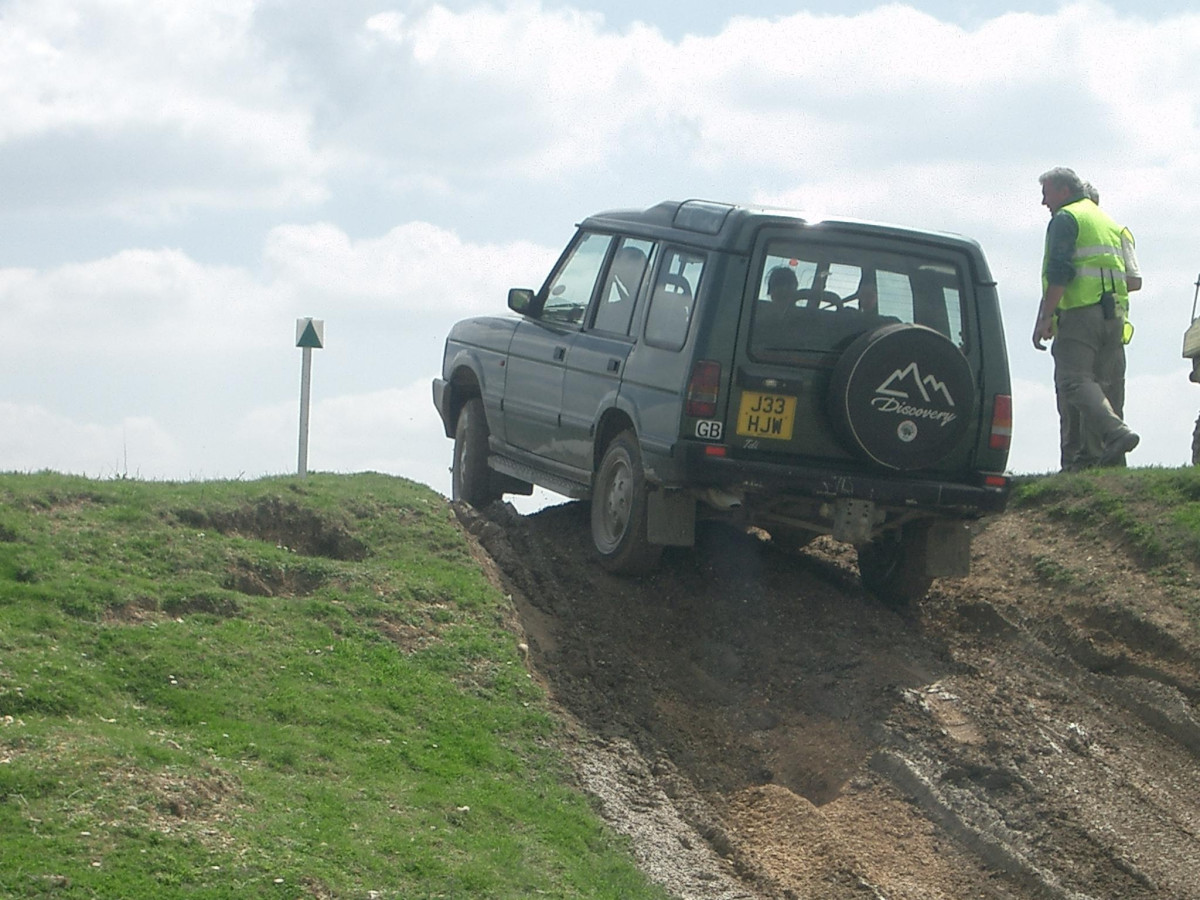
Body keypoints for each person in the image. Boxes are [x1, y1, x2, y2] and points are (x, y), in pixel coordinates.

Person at [1033, 167, 1139, 469]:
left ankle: (1117, 434)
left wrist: (1047, 316)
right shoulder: (1106, 221)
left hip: (1081, 311)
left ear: (1063, 191)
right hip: (1113, 315)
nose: (1044, 202)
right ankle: (1111, 462)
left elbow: (1060, 271)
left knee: (1073, 380)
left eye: (1046, 194)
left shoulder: (1066, 219)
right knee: (1106, 386)